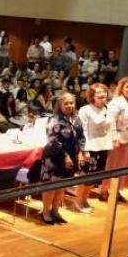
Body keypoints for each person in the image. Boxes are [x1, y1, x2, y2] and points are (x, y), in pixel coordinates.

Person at [39, 93, 86, 225]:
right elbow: (53, 140)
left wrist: (81, 152)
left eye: (71, 103)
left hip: (71, 157)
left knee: (61, 187)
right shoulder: (54, 119)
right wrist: (65, 156)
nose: (69, 106)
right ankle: (45, 212)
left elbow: (81, 137)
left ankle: (55, 211)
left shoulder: (76, 119)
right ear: (59, 105)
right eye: (66, 103)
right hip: (54, 158)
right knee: (51, 187)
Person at [75, 83, 114, 213]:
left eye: (104, 92)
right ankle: (78, 201)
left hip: (103, 147)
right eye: (99, 93)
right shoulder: (85, 110)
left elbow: (110, 128)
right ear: (92, 96)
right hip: (90, 147)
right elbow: (82, 131)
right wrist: (83, 150)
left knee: (94, 178)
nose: (103, 95)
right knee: (85, 177)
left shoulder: (107, 109)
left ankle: (85, 200)